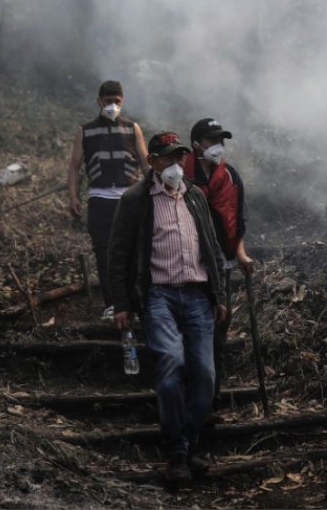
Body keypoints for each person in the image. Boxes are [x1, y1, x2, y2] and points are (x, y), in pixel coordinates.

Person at [104, 131, 228, 484]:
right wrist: (122, 303)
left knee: (204, 373)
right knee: (171, 361)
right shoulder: (135, 200)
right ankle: (177, 451)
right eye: (169, 158)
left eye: (180, 158)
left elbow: (211, 245)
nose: (176, 165)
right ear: (152, 162)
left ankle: (187, 445)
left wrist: (218, 294)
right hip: (160, 296)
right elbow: (119, 254)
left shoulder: (196, 197)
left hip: (199, 296)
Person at [185, 117, 254, 406]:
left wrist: (241, 254)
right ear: (196, 145)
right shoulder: (180, 176)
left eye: (220, 141)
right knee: (190, 328)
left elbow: (236, 224)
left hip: (222, 265)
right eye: (212, 141)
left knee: (219, 329)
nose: (217, 147)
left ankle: (211, 397)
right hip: (188, 266)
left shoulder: (230, 177)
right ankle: (188, 394)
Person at [66, 80, 149, 310]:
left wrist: (156, 192)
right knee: (105, 252)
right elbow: (74, 166)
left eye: (117, 101)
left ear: (122, 102)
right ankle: (113, 304)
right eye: (108, 101)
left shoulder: (133, 128)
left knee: (135, 249)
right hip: (100, 199)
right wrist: (73, 197)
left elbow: (145, 164)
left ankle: (136, 301)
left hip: (130, 198)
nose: (112, 105)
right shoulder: (86, 130)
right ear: (99, 101)